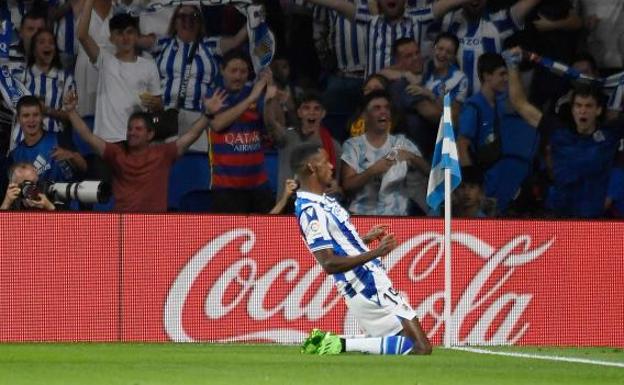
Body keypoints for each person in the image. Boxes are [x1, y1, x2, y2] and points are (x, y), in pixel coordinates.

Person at [292, 143, 432, 355]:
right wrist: (377, 252)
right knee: (420, 347)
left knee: (407, 343)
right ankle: (339, 344)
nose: (331, 165)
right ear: (311, 167)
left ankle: (340, 343)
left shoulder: (323, 201)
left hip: (369, 280)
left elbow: (341, 247)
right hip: (365, 284)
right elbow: (329, 263)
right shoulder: (311, 210)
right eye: (325, 162)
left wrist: (364, 239)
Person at [63, 88, 227, 212]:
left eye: (138, 129)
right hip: (122, 225)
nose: (132, 132)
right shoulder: (116, 153)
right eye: (130, 129)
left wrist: (207, 115)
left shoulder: (163, 154)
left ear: (150, 134)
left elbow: (191, 134)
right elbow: (87, 136)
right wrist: (71, 111)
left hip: (154, 227)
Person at [505, 47, 624, 218]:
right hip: (560, 221)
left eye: (588, 106)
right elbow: (519, 104)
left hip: (595, 224)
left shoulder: (610, 134)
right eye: (578, 106)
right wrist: (512, 65)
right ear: (572, 109)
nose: (583, 111)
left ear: (598, 110)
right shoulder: (558, 132)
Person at [142, 4, 248, 152]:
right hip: (166, 114)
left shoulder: (211, 45)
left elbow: (237, 40)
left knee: (198, 162)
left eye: (194, 17)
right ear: (175, 21)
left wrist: (253, 17)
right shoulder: (162, 43)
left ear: (200, 22)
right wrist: (134, 7)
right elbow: (133, 40)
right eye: (182, 17)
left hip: (200, 117)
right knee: (161, 163)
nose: (188, 21)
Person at [301, 0, 471, 77]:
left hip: (406, 94)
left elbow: (444, 4)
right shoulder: (370, 19)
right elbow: (339, 4)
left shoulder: (417, 18)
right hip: (374, 95)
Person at [206, 52, 279, 214]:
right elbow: (217, 124)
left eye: (243, 72)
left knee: (268, 237)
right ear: (222, 70)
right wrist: (251, 98)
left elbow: (272, 126)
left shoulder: (256, 94)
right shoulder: (214, 95)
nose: (238, 76)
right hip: (226, 188)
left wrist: (269, 99)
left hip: (259, 186)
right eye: (233, 71)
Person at [341, 90, 429, 215]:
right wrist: (372, 171)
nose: (384, 111)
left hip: (398, 216)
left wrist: (412, 157)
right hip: (363, 216)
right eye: (377, 108)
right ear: (364, 115)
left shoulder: (401, 142)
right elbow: (347, 186)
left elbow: (430, 173)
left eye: (387, 108)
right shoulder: (353, 145)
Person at [266, 90, 342, 202]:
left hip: (318, 208)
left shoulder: (333, 146)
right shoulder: (287, 137)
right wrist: (268, 102)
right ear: (299, 113)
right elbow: (271, 124)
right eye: (306, 108)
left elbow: (336, 183)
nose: (312, 112)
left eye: (317, 108)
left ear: (323, 113)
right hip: (287, 206)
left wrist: (337, 188)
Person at [8, 95, 87, 183]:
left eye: (35, 115)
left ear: (42, 116)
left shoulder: (59, 138)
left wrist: (71, 156)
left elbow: (84, 167)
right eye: (26, 116)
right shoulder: (15, 155)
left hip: (67, 195)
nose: (31, 120)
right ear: (18, 119)